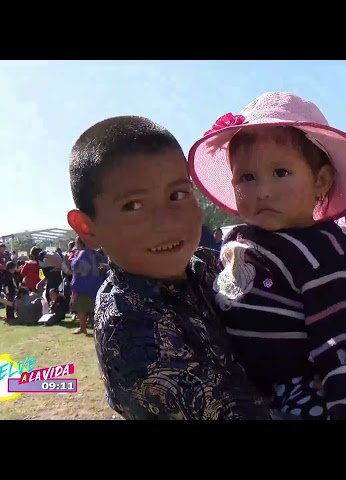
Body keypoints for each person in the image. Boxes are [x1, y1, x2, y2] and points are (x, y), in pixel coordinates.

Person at [188, 92, 346, 420]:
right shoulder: (238, 240)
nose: (262, 189)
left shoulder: (325, 250)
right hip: (241, 394)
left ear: (320, 181)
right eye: (247, 178)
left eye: (280, 172)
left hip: (298, 399)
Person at [67, 115, 281, 420]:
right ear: (87, 228)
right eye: (133, 206)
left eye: (177, 195)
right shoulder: (129, 327)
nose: (166, 222)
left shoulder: (208, 266)